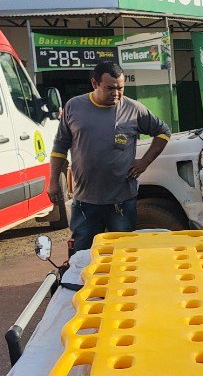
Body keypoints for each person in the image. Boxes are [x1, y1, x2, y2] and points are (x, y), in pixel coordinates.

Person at [47, 62, 172, 252]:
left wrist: (144, 162)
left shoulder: (133, 109)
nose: (116, 93)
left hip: (122, 202)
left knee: (123, 253)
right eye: (110, 88)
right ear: (94, 84)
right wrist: (53, 182)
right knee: (83, 254)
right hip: (85, 202)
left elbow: (163, 132)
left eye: (120, 88)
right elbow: (59, 147)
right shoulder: (74, 107)